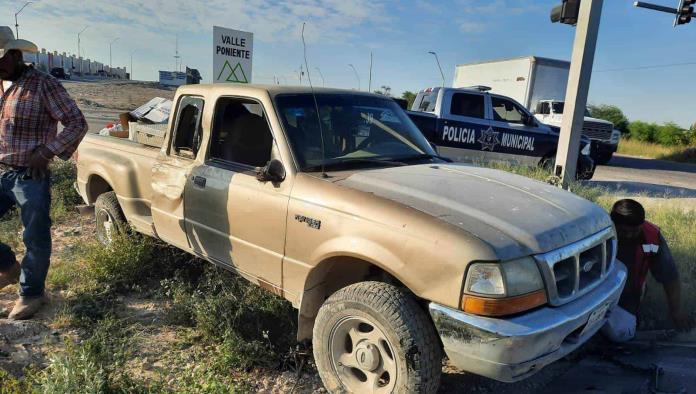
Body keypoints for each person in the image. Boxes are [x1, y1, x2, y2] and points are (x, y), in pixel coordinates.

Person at [0, 28, 88, 319]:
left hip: (29, 175)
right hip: (1, 169)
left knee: (35, 236)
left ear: (14, 56)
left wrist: (47, 151)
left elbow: (77, 122)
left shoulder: (43, 84)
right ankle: (8, 267)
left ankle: (32, 293)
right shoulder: (1, 84)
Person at [604, 199, 695, 341]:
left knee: (621, 333)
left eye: (634, 231)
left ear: (642, 224)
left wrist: (676, 311)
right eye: (623, 231)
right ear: (612, 222)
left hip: (628, 296)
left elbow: (670, 277)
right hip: (594, 293)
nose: (628, 236)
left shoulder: (652, 237)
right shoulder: (598, 231)